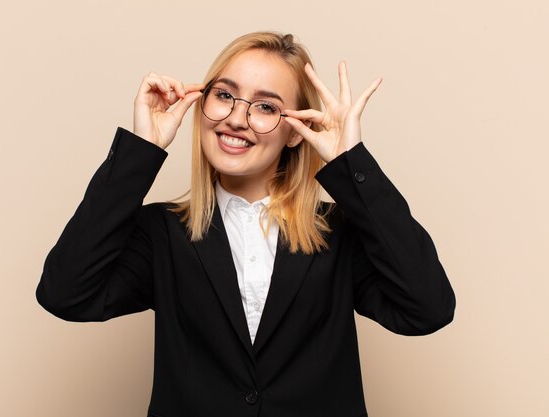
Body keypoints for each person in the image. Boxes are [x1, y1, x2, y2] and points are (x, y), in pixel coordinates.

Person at [36, 31, 456, 417]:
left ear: (295, 131)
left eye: (266, 106)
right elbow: (65, 294)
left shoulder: (337, 233)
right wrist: (140, 151)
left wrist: (352, 163)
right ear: (202, 104)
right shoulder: (161, 232)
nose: (237, 119)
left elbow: (428, 309)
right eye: (224, 95)